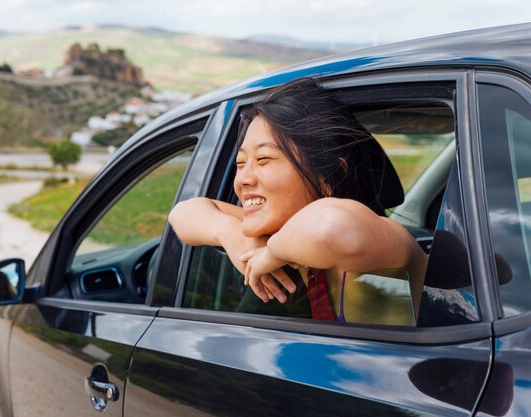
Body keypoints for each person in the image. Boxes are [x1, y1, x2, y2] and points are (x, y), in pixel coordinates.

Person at [169, 78, 427, 323]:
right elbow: (182, 213)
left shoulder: (384, 240)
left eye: (263, 160)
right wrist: (232, 235)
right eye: (240, 163)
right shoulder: (280, 229)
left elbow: (333, 227)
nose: (242, 180)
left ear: (328, 177)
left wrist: (271, 253)